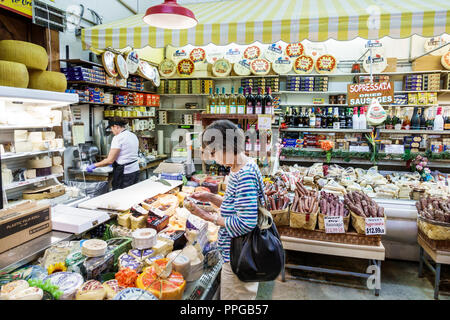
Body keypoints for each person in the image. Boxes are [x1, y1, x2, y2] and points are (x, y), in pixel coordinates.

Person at [186, 120, 265, 300]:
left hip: (240, 257)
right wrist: (211, 198)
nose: (213, 158)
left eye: (214, 152)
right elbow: (238, 207)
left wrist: (208, 216)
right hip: (241, 253)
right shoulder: (243, 166)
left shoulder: (244, 175)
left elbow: (246, 222)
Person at [86, 118, 140, 190]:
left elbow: (110, 160)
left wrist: (94, 165)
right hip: (135, 170)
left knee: (120, 195)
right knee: (132, 194)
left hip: (125, 173)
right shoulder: (132, 135)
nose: (111, 131)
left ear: (116, 126)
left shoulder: (118, 138)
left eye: (111, 128)